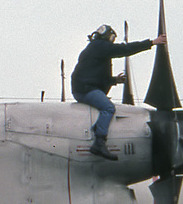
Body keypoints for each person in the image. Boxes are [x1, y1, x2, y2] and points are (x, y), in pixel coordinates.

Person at [71, 24, 165, 160]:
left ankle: (97, 131)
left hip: (83, 88)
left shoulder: (93, 48)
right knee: (108, 108)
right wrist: (151, 42)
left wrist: (115, 80)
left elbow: (94, 75)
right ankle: (99, 142)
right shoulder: (100, 46)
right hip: (86, 90)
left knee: (105, 107)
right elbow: (125, 49)